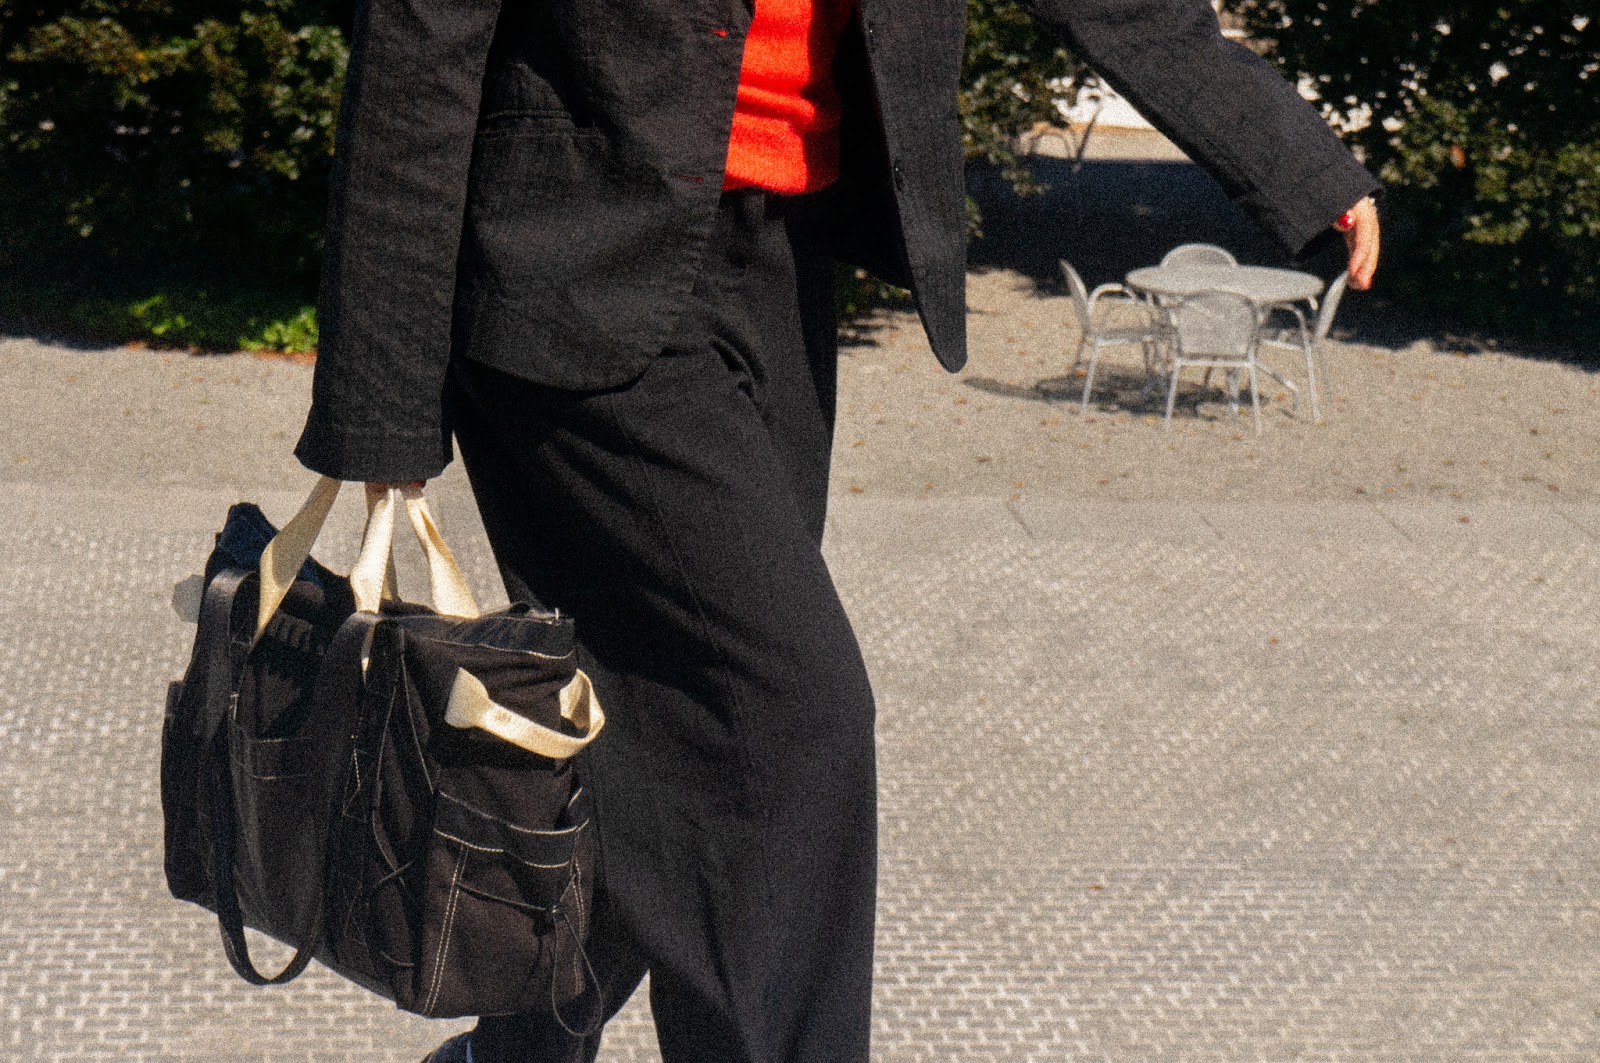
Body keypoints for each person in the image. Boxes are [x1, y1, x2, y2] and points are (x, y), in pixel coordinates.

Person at [295, 0, 1381, 1060]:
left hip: (777, 266)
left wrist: (1290, 156)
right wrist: (381, 405)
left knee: (670, 745)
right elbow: (420, 37)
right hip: (571, 270)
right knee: (789, 726)